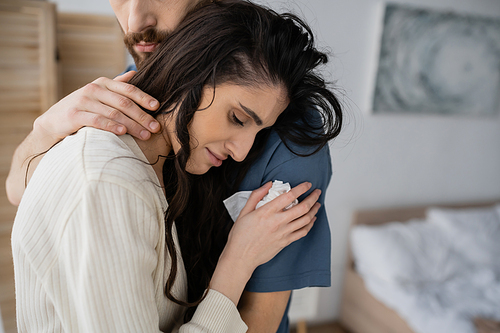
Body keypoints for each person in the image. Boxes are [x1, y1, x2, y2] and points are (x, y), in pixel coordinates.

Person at [7, 1, 342, 332]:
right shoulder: (111, 166)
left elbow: (260, 317)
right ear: (189, 69)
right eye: (237, 119)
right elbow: (27, 192)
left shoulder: (284, 140)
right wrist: (46, 130)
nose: (135, 19)